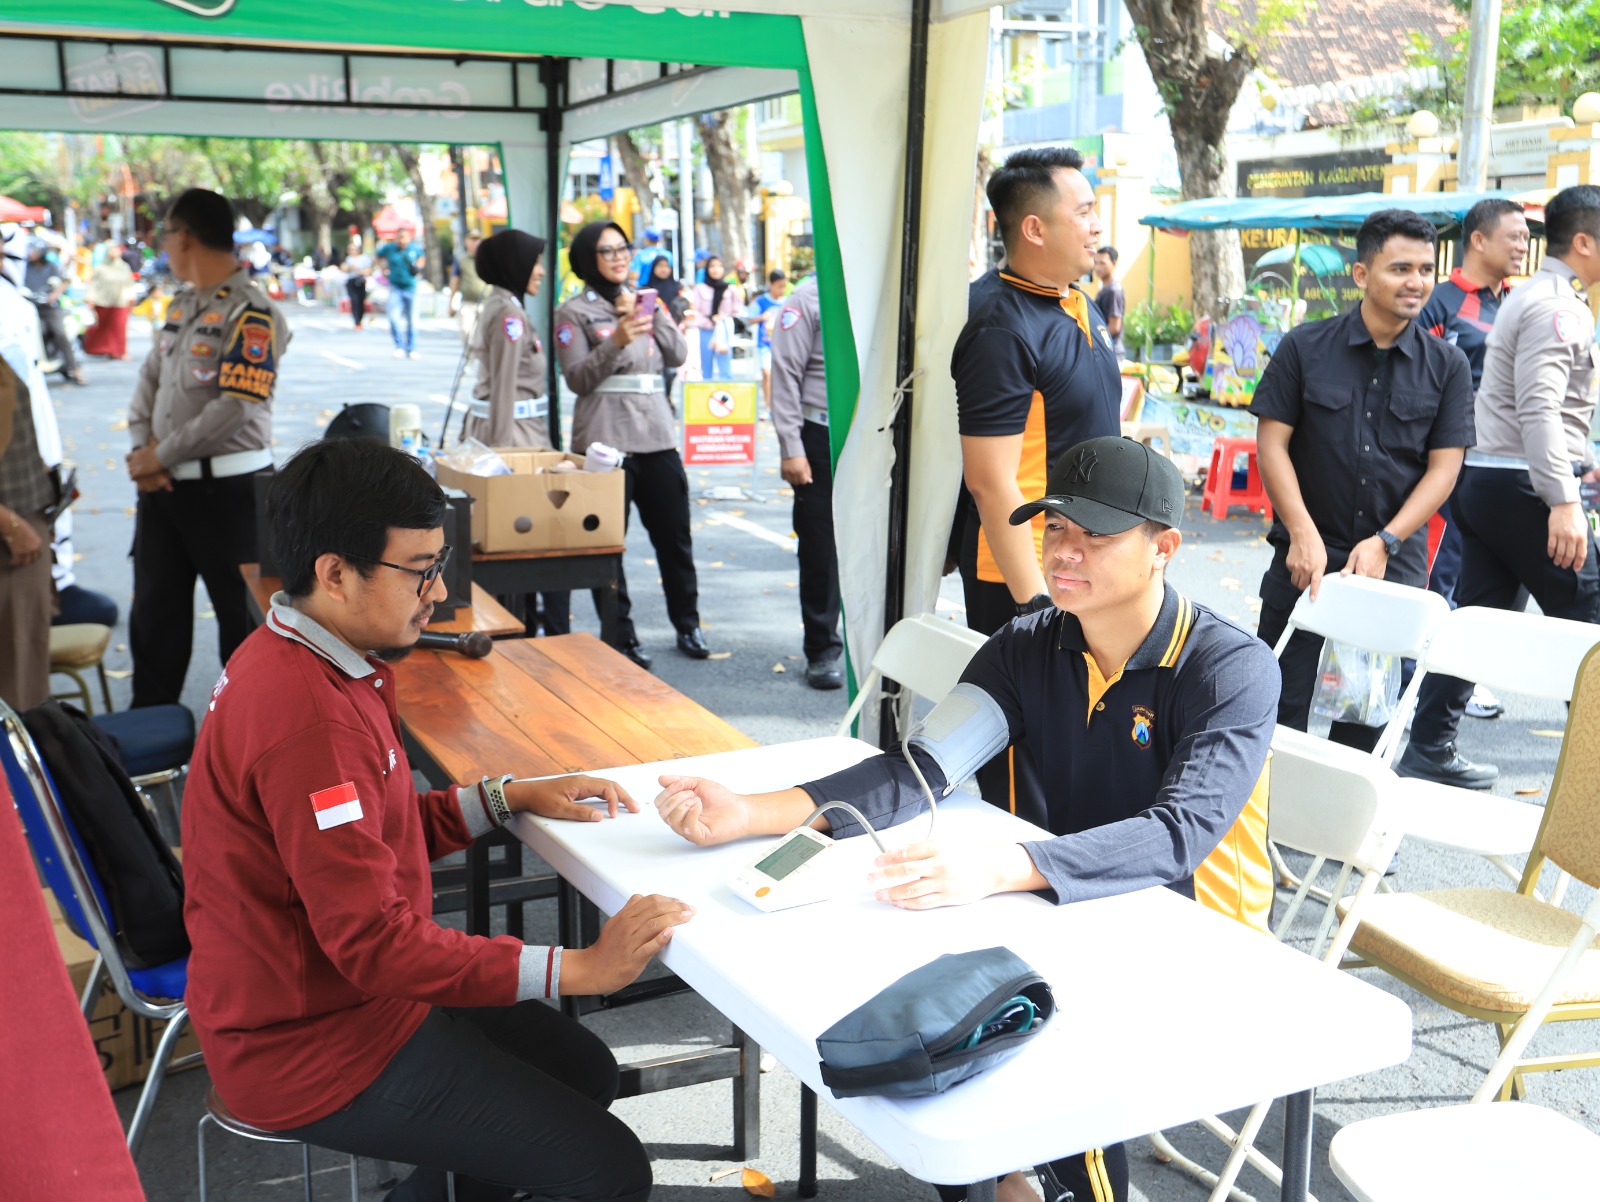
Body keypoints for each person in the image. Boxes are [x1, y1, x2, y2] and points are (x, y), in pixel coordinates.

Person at [656, 436, 1278, 1202]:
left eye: (1097, 535)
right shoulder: (1025, 646)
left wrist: (1000, 869)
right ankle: (1001, 1177)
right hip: (1055, 906)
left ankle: (1028, 1177)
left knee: (1038, 1043)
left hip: (1194, 933)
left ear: (1165, 549)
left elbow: (1181, 833)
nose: (1065, 553)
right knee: (932, 1003)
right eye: (1054, 529)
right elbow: (919, 771)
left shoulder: (1230, 668)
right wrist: (749, 813)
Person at [180, 436, 691, 1202]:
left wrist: (506, 796)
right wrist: (578, 966)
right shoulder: (307, 716)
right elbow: (374, 944)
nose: (436, 589)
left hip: (347, 999)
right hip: (308, 1044)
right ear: (335, 573)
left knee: (582, 1069)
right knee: (608, 1169)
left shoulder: (312, 652)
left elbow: (373, 836)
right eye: (420, 569)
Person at [1251, 208, 1474, 752]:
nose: (1417, 281)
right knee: (1276, 706)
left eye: (1426, 269)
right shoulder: (1304, 348)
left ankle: (1340, 833)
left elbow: (1444, 469)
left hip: (1391, 567)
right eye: (1400, 268)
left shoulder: (1446, 365)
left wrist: (1385, 541)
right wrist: (1300, 532)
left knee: (1366, 715)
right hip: (1305, 560)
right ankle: (1267, 826)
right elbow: (1272, 443)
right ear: (1361, 274)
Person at [1400, 185, 1600, 788]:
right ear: (1585, 242)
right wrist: (1563, 498)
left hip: (1491, 475)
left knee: (1483, 616)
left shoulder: (1527, 296)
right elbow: (1540, 405)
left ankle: (1429, 744)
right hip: (1521, 482)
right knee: (1590, 610)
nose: (1518, 244)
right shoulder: (1558, 306)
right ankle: (1587, 770)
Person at [951, 145, 1120, 815]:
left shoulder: (1075, 304)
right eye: (1083, 212)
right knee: (1027, 775)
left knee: (1082, 753)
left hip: (1089, 560)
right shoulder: (1000, 324)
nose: (1097, 224)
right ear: (1033, 228)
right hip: (1029, 575)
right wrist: (1032, 606)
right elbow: (991, 481)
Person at [126, 187, 290, 708]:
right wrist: (142, 455)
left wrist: (160, 454)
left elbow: (237, 405)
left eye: (166, 234)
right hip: (166, 489)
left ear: (186, 237)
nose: (164, 246)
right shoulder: (181, 305)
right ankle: (146, 754)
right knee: (154, 621)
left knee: (243, 630)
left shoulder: (253, 313)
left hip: (232, 494)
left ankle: (245, 749)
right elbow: (147, 386)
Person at [554, 221, 706, 668]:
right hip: (605, 440)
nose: (619, 257)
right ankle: (620, 635)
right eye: (607, 251)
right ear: (587, 259)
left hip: (657, 435)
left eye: (624, 248)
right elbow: (578, 378)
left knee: (674, 538)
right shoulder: (573, 312)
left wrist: (651, 314)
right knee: (607, 543)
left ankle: (689, 624)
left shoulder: (645, 300)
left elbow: (678, 356)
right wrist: (616, 340)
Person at [1417, 197, 1529, 721]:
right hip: (1450, 466)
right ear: (1478, 241)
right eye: (1515, 236)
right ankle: (1420, 682)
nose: (1523, 245)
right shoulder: (1439, 303)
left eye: (1527, 237)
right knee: (1443, 573)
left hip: (1505, 470)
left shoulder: (1519, 303)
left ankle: (1463, 676)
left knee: (1490, 580)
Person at [464, 229, 572, 638]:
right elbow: (505, 390)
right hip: (516, 439)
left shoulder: (499, 304)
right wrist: (501, 459)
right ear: (514, 265)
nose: (541, 272)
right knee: (526, 540)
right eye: (535, 262)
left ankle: (525, 630)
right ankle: (530, 635)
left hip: (512, 432)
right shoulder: (509, 314)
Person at [768, 276, 841, 689]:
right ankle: (822, 650)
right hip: (819, 437)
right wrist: (790, 446)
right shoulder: (808, 298)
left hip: (876, 436)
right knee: (820, 548)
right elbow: (785, 376)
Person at [0, 352, 54, 711]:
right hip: (10, 538)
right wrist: (10, 524)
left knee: (24, 672)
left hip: (20, 524)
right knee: (18, 691)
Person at [22, 241, 86, 386]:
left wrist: (54, 295)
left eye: (34, 251)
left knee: (60, 333)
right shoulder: (25, 268)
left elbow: (63, 282)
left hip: (50, 308)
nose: (31, 253)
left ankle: (74, 369)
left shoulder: (50, 266)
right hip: (32, 308)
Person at [689, 254, 741, 382]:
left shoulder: (730, 289)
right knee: (705, 368)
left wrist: (723, 319)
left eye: (718, 266)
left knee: (725, 366)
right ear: (707, 269)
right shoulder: (700, 288)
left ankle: (727, 397)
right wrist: (710, 319)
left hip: (724, 330)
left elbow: (737, 310)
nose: (715, 269)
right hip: (706, 330)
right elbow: (695, 310)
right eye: (712, 266)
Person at [376, 226, 425, 359]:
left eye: (405, 238)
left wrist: (418, 269)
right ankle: (399, 346)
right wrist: (383, 270)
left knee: (413, 320)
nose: (402, 241)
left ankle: (412, 348)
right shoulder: (390, 248)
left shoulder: (415, 248)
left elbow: (422, 258)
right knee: (393, 318)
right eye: (400, 238)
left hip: (411, 287)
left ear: (409, 238)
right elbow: (378, 257)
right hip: (395, 287)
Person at [80, 246, 137, 360]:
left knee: (119, 327)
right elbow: (94, 284)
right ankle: (102, 349)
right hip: (103, 301)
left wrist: (131, 296)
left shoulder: (124, 267)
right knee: (103, 327)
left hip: (121, 301)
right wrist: (90, 298)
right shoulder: (100, 268)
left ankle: (119, 351)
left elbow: (129, 283)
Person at [752, 269, 788, 412]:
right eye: (779, 286)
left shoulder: (788, 301)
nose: (782, 289)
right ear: (771, 285)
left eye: (784, 286)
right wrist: (762, 318)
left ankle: (781, 405)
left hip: (783, 345)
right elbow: (749, 319)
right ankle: (768, 406)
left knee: (782, 376)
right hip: (765, 343)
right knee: (767, 373)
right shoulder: (760, 301)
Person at [449, 230, 487, 354]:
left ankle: (482, 363)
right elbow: (455, 282)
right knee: (466, 332)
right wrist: (451, 303)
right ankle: (469, 359)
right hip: (468, 303)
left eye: (478, 239)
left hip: (487, 303)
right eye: (472, 239)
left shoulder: (488, 258)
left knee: (485, 336)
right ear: (466, 241)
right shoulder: (461, 260)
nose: (475, 242)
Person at [1092, 245, 1126, 358]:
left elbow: (1114, 326)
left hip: (1111, 352)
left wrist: (1093, 340)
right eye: (1096, 263)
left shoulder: (1113, 290)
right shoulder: (1106, 289)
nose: (1097, 267)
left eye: (1102, 263)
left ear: (1114, 264)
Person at [341, 228, 371, 332]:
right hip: (351, 282)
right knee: (354, 301)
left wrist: (358, 270)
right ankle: (356, 321)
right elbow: (343, 268)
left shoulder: (364, 258)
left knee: (361, 301)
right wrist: (350, 267)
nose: (352, 251)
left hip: (361, 281)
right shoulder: (347, 259)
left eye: (354, 249)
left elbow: (368, 270)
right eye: (350, 249)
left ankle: (360, 320)